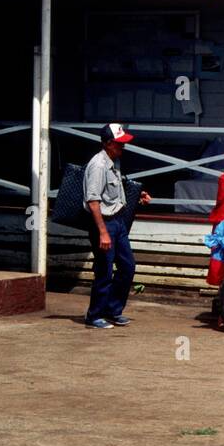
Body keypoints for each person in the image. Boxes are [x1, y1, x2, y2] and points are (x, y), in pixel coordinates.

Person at [83, 122, 151, 329]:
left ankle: (112, 310)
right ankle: (94, 315)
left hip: (118, 222)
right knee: (104, 270)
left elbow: (115, 190)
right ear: (109, 143)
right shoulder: (98, 165)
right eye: (119, 144)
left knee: (127, 266)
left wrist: (138, 195)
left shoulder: (114, 162)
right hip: (104, 224)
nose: (123, 147)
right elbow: (93, 201)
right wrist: (103, 232)